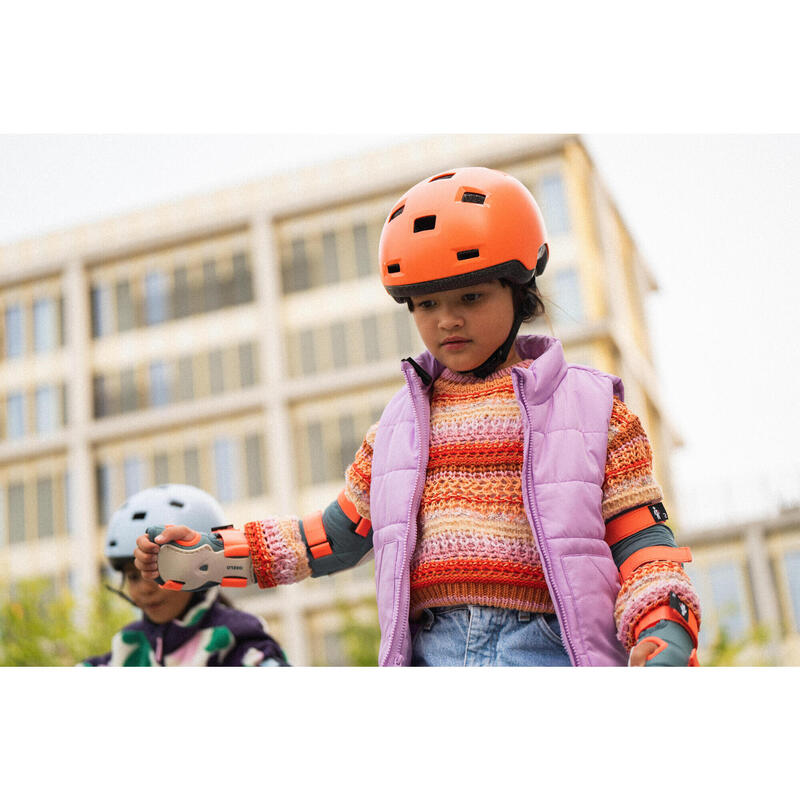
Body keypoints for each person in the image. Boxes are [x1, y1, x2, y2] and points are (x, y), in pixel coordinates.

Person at [135, 167, 701, 667]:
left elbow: (641, 544)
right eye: (427, 304)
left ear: (520, 290)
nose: (447, 320)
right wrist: (203, 560)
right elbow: (329, 538)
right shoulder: (399, 427)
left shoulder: (595, 409)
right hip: (430, 653)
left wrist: (664, 626)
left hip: (547, 651)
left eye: (471, 297)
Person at [82, 483, 289, 667]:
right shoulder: (127, 648)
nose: (146, 587)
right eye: (134, 577)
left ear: (206, 567)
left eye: (160, 571)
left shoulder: (239, 643)